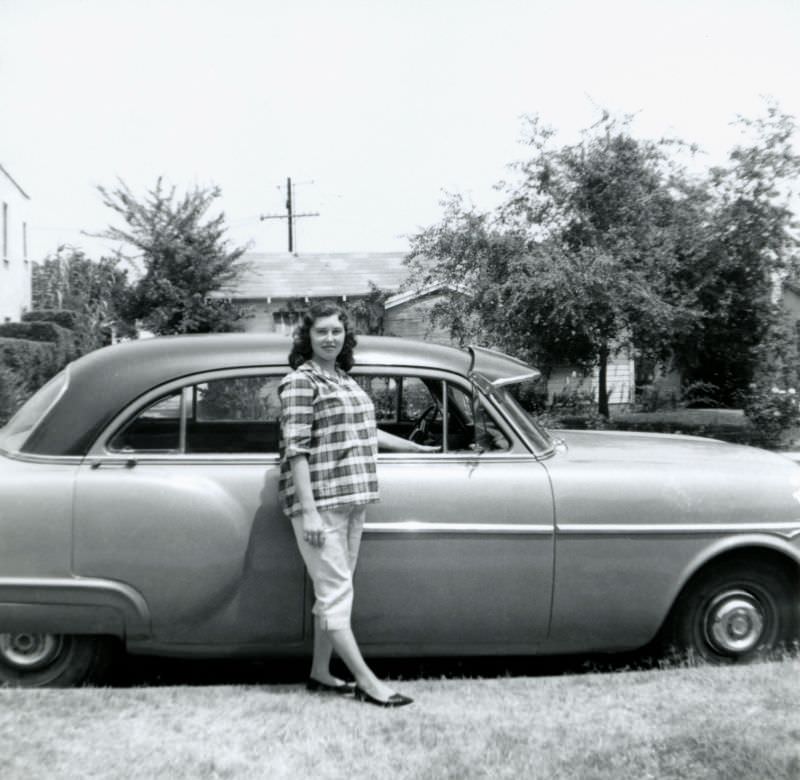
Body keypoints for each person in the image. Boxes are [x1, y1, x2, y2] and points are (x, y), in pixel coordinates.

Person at [278, 301, 435, 707]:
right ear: (308, 337)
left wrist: (415, 448)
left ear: (345, 335)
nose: (330, 338)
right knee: (336, 592)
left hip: (353, 497)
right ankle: (368, 683)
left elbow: (366, 430)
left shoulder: (344, 379)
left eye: (336, 331)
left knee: (335, 591)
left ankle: (320, 672)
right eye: (321, 331)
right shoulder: (301, 381)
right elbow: (296, 449)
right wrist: (309, 511)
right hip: (322, 501)